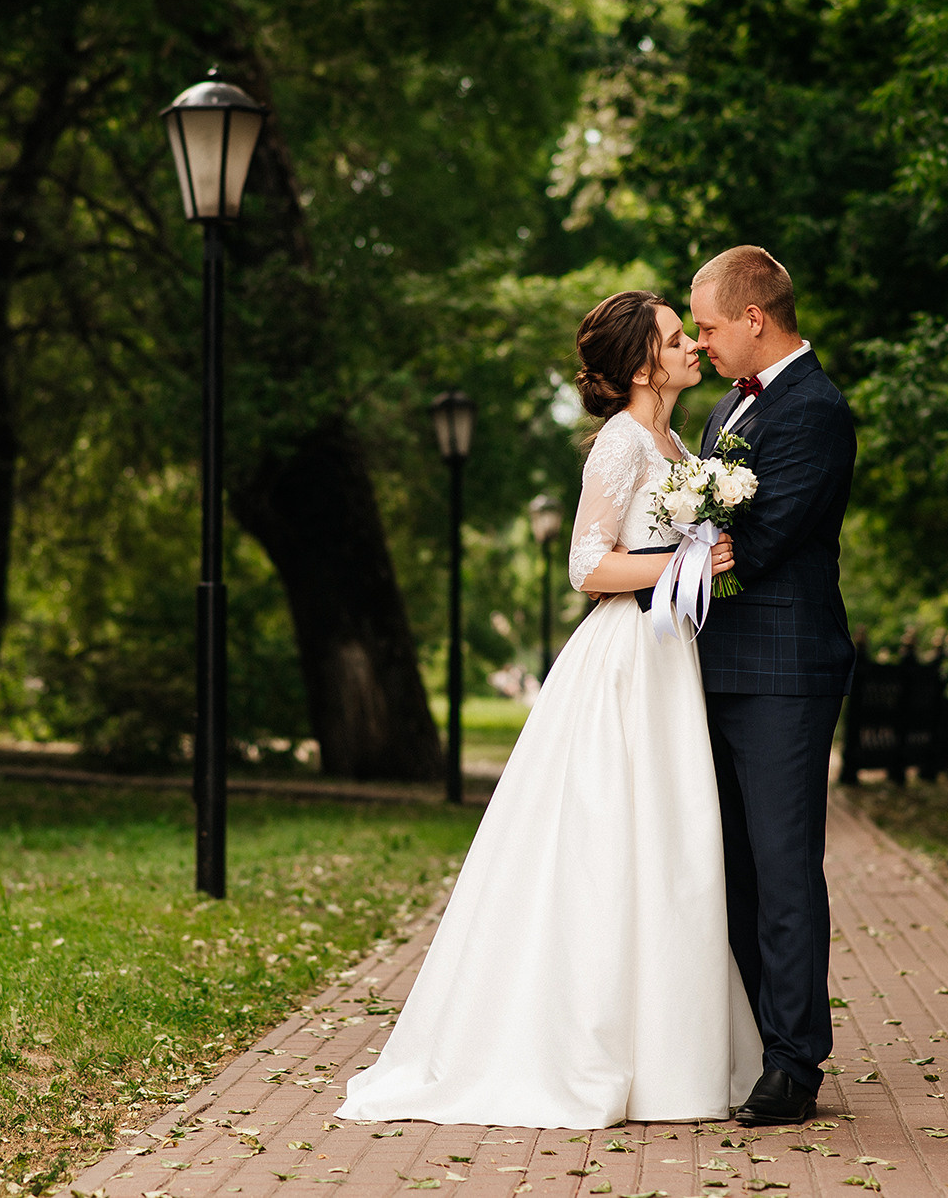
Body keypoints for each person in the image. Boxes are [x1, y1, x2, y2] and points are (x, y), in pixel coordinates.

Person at [337, 290, 761, 1130]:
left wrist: (698, 560)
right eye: (677, 339)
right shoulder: (618, 444)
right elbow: (585, 565)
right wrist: (685, 565)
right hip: (624, 660)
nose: (690, 348)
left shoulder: (678, 440)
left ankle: (674, 1051)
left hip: (671, 658)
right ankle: (587, 1044)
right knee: (614, 842)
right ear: (642, 364)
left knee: (671, 845)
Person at [686, 245, 857, 1126]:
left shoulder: (817, 410)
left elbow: (763, 539)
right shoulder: (724, 407)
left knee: (785, 868)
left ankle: (795, 1064)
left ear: (756, 317)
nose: (702, 342)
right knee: (733, 871)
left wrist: (692, 553)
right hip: (715, 669)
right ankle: (756, 1039)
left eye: (710, 325)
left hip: (786, 673)